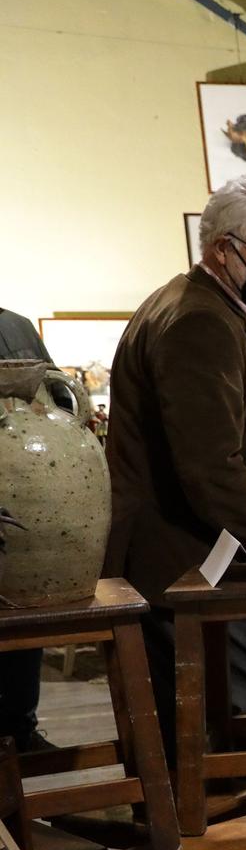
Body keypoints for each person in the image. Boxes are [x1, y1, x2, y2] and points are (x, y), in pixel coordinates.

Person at [105, 176, 246, 747]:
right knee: (244, 721)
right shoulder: (198, 319)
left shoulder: (205, 305)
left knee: (224, 720)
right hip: (188, 561)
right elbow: (210, 468)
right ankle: (233, 836)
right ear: (222, 248)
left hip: (200, 556)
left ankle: (225, 829)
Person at [0, 310, 57, 753]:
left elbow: (57, 397)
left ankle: (19, 729)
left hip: (22, 488)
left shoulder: (16, 327)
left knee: (23, 613)